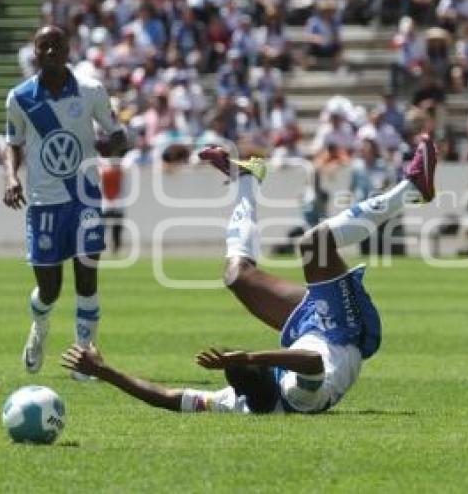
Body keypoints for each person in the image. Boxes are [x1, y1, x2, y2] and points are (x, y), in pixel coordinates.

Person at [61, 136, 438, 414]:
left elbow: (170, 397)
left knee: (236, 275)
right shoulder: (295, 394)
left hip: (308, 327)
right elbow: (313, 363)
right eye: (252, 365)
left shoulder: (238, 403)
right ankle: (411, 190)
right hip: (344, 329)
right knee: (315, 244)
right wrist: (250, 355)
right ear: (260, 369)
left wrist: (105, 371)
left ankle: (245, 178)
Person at [3, 25, 126, 379]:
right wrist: (11, 177)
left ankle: (84, 358)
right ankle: (39, 328)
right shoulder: (20, 97)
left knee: (87, 280)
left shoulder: (91, 90)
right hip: (43, 204)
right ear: (35, 52)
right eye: (45, 47)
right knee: (50, 288)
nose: (52, 52)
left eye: (58, 45)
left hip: (84, 198)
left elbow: (117, 133)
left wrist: (113, 144)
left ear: (69, 49)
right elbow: (14, 143)